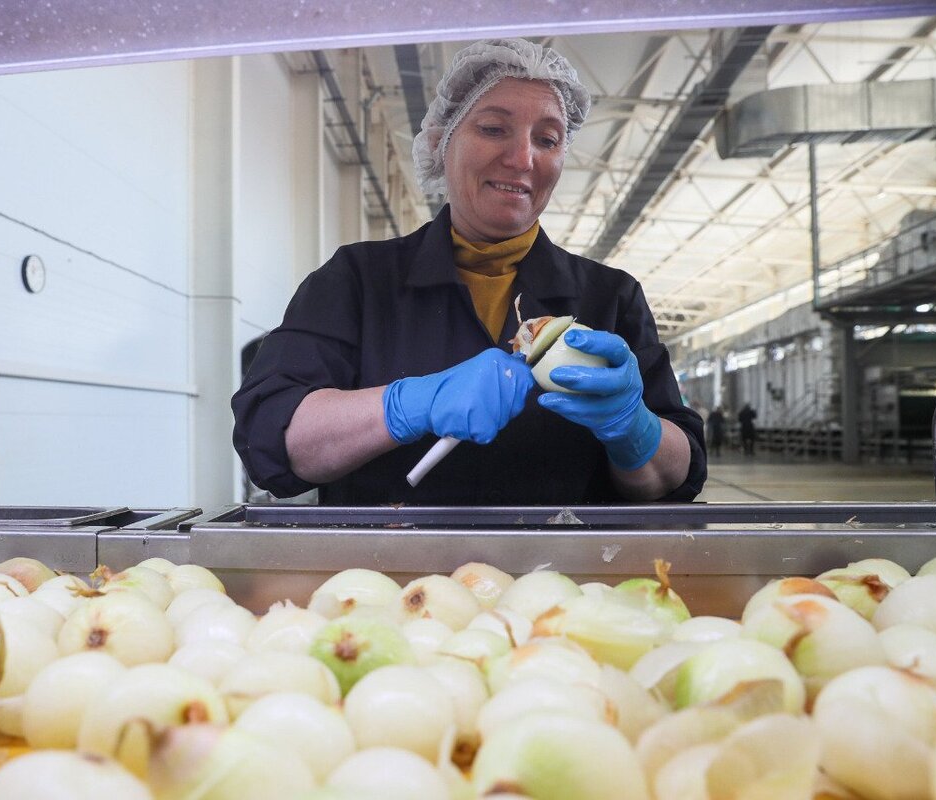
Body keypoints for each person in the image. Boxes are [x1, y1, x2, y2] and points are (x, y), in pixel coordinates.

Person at [232, 38, 707, 505]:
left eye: (547, 139)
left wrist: (633, 427)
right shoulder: (357, 281)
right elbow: (272, 435)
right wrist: (410, 404)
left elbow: (673, 476)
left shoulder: (610, 297)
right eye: (494, 129)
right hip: (389, 574)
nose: (523, 159)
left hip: (562, 575)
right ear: (441, 142)